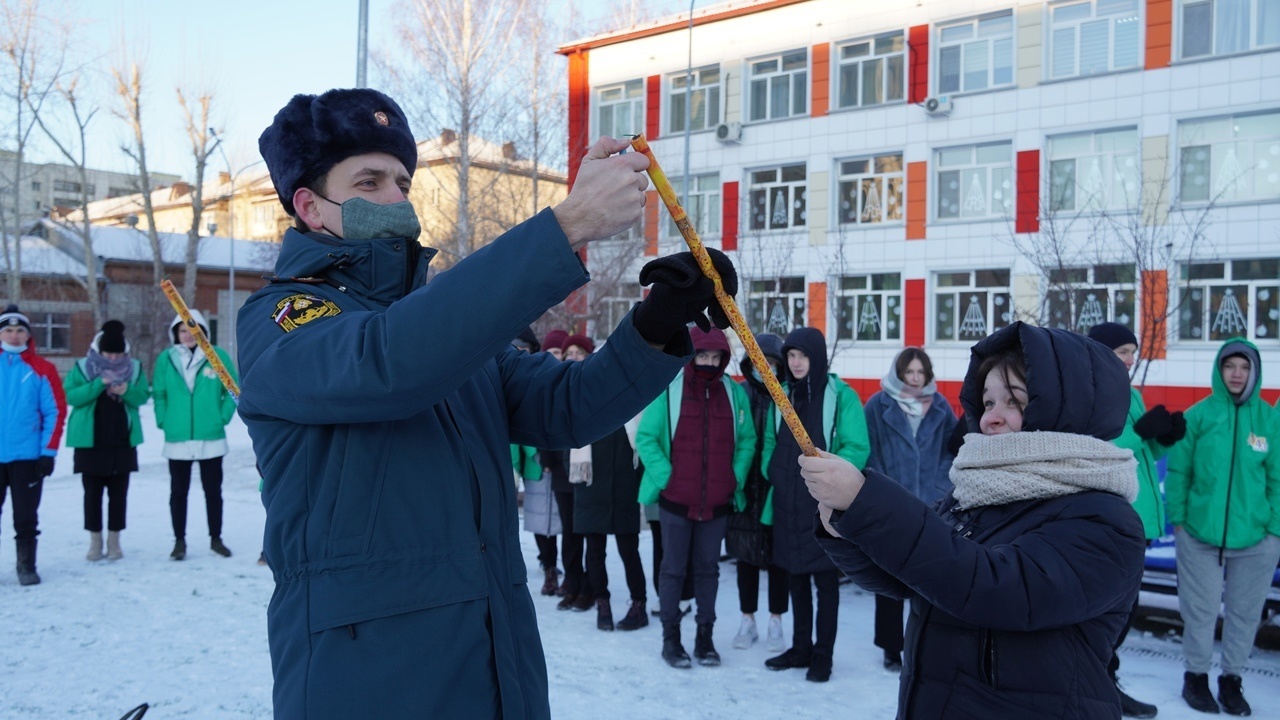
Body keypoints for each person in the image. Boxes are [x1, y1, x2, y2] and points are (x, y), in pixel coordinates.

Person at [237, 87, 737, 718]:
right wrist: (568, 227)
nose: (396, 198)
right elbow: (391, 364)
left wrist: (659, 322)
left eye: (402, 180)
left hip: (495, 663)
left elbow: (567, 405)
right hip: (370, 680)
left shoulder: (442, 329)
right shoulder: (283, 320)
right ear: (309, 205)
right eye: (369, 181)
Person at [803, 321, 1146, 719]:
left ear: (1068, 409)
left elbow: (993, 588)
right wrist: (847, 526)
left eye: (1014, 401)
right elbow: (908, 577)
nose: (991, 419)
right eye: (987, 403)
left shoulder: (1105, 520)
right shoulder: (979, 494)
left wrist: (868, 502)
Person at [1166, 337, 1280, 716]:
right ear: (1219, 369)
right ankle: (1195, 677)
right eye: (1230, 365)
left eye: (1244, 367)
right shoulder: (1198, 416)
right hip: (1199, 536)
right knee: (1199, 612)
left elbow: (1277, 478)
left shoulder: (1269, 419)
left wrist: (1275, 531)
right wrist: (1180, 521)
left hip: (1257, 539)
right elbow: (1180, 472)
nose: (1237, 373)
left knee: (1245, 614)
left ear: (1254, 372)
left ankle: (1231, 680)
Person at [637, 326, 756, 668]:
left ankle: (705, 638)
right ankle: (671, 639)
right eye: (701, 355)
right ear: (691, 356)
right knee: (673, 570)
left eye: (714, 357)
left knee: (708, 571)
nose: (707, 362)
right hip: (676, 500)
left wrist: (734, 477)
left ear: (723, 359)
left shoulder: (733, 395)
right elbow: (646, 438)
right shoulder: (670, 389)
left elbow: (746, 441)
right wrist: (667, 478)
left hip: (717, 502)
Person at [761, 326, 868, 682]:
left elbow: (857, 447)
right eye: (791, 356)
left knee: (824, 582)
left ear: (817, 357)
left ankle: (823, 654)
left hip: (823, 504)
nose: (796, 362)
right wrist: (772, 470)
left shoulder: (841, 396)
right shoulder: (784, 395)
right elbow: (769, 442)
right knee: (795, 577)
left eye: (803, 355)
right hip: (787, 502)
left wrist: (830, 479)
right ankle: (800, 647)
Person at [1088, 321, 1184, 719]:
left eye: (1132, 351)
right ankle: (1097, 681)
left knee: (1124, 610)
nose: (1131, 358)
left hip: (1139, 518)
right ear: (1102, 353)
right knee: (1109, 610)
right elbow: (1092, 450)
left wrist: (1164, 438)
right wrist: (1139, 435)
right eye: (1124, 351)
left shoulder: (1133, 393)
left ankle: (1104, 679)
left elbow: (1143, 457)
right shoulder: (1088, 393)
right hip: (1112, 516)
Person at [862, 347, 957, 673]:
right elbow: (869, 450)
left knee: (929, 579)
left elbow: (952, 451)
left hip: (932, 505)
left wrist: (941, 487)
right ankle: (891, 647)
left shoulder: (941, 407)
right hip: (891, 503)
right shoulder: (878, 404)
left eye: (921, 373)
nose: (915, 379)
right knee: (889, 577)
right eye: (910, 373)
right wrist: (879, 488)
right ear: (899, 373)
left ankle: (927, 642)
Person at [562, 335, 650, 632]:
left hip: (625, 490)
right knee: (594, 551)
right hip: (591, 489)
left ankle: (639, 605)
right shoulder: (584, 402)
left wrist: (636, 482)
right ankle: (602, 602)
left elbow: (643, 448)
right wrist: (579, 481)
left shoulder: (635, 402)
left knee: (629, 550)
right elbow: (568, 446)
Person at [152, 310, 240, 560]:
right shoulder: (166, 359)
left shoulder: (217, 356)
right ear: (175, 334)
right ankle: (179, 542)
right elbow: (159, 393)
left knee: (213, 492)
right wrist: (163, 419)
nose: (189, 335)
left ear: (203, 331)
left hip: (210, 437)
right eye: (182, 330)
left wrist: (221, 417)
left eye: (194, 329)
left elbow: (232, 389)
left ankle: (216, 539)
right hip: (177, 437)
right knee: (178, 492)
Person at [65, 320, 150, 562]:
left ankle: (115, 540)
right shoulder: (83, 367)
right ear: (99, 351)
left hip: (122, 443)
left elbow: (143, 396)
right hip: (90, 443)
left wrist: (127, 392)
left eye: (117, 353)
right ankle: (95, 541)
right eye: (108, 353)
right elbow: (71, 396)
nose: (113, 359)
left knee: (118, 494)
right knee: (92, 495)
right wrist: (97, 384)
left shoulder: (134, 368)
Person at [726, 331, 789, 652]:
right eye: (759, 363)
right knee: (745, 557)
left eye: (772, 364)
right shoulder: (739, 394)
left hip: (777, 489)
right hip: (743, 490)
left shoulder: (787, 397)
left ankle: (776, 620)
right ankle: (747, 619)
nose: (765, 369)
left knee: (779, 558)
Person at [0, 305, 63, 585]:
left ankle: (26, 566)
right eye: (8, 330)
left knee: (25, 516)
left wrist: (48, 452)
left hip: (27, 457)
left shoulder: (42, 369)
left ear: (28, 335)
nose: (14, 336)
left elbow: (55, 411)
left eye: (20, 330)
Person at [509, 328, 562, 597]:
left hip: (546, 459)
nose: (520, 355)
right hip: (528, 462)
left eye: (525, 350)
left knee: (551, 519)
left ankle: (552, 565)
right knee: (539, 519)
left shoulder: (540, 376)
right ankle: (548, 562)